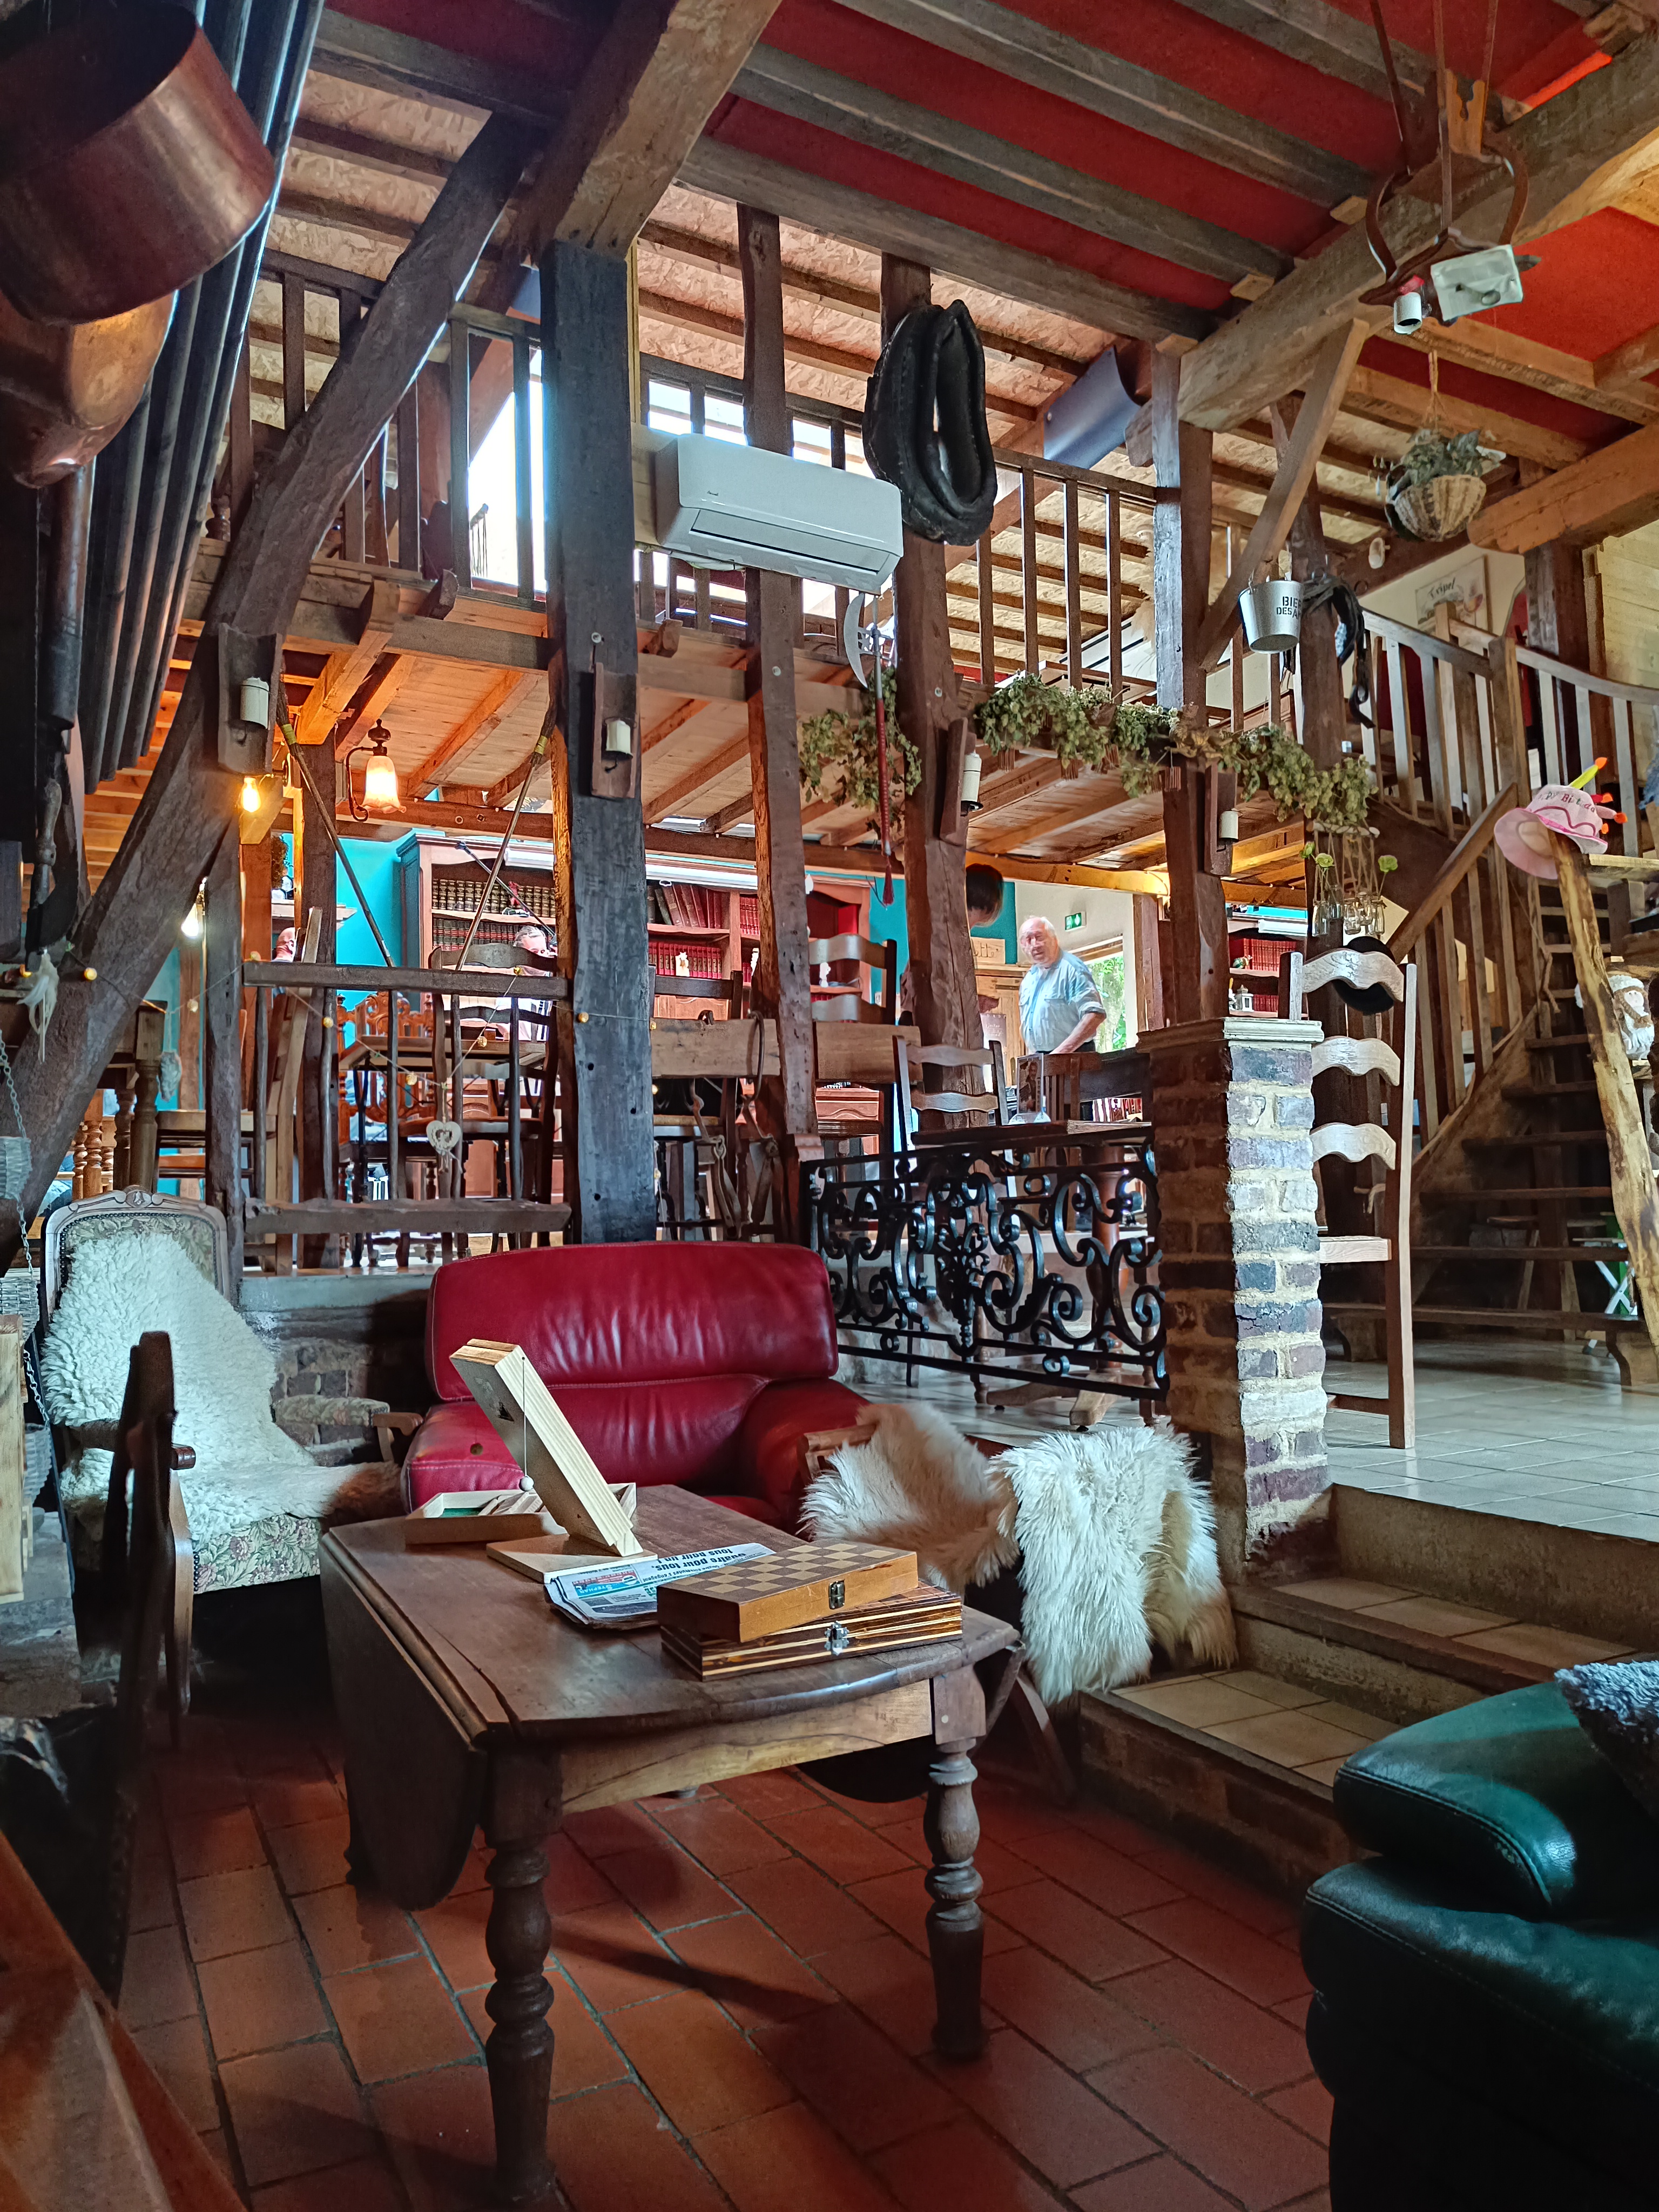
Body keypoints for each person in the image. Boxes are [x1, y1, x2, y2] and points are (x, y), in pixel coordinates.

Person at [898, 862, 1006, 1019]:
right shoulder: (953, 935)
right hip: (923, 1023)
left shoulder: (945, 926)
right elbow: (940, 993)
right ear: (992, 902)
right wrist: (975, 1004)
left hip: (915, 1017)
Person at [1017, 914, 1106, 1054]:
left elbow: (1095, 1015)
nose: (1034, 945)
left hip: (1073, 1056)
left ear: (1054, 939)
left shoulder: (1072, 969)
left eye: (1039, 937)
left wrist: (1062, 1052)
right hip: (1040, 1058)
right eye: (1028, 940)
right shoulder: (1029, 980)